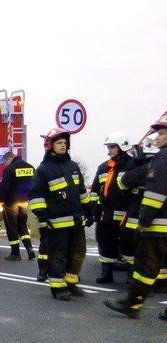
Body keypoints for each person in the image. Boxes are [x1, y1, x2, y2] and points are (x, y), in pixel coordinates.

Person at [104, 115, 167, 319]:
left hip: (158, 226)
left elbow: (155, 192)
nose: (158, 136)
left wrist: (145, 220)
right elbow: (140, 173)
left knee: (144, 265)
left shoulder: (163, 157)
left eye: (162, 132)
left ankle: (132, 303)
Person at [28, 128, 92, 301]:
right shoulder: (43, 170)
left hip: (76, 221)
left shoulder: (73, 167)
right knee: (59, 255)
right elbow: (36, 196)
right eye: (59, 143)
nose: (63, 146)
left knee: (78, 252)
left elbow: (81, 192)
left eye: (65, 143)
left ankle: (71, 283)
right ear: (50, 146)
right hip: (57, 223)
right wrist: (42, 217)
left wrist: (89, 210)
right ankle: (57, 287)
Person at [89, 131, 136, 284]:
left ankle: (131, 275)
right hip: (106, 215)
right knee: (106, 242)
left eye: (112, 147)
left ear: (122, 147)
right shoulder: (103, 168)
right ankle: (106, 273)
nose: (109, 151)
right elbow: (95, 190)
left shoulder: (134, 166)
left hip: (126, 215)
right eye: (108, 147)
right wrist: (93, 210)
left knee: (129, 245)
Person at [0, 151, 36, 261]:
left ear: (9, 159)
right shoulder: (30, 167)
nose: (5, 164)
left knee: (12, 227)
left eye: (5, 162)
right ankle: (29, 249)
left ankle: (15, 253)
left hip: (11, 202)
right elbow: (34, 184)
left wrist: (2, 200)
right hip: (24, 201)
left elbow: (4, 187)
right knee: (22, 225)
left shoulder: (9, 169)